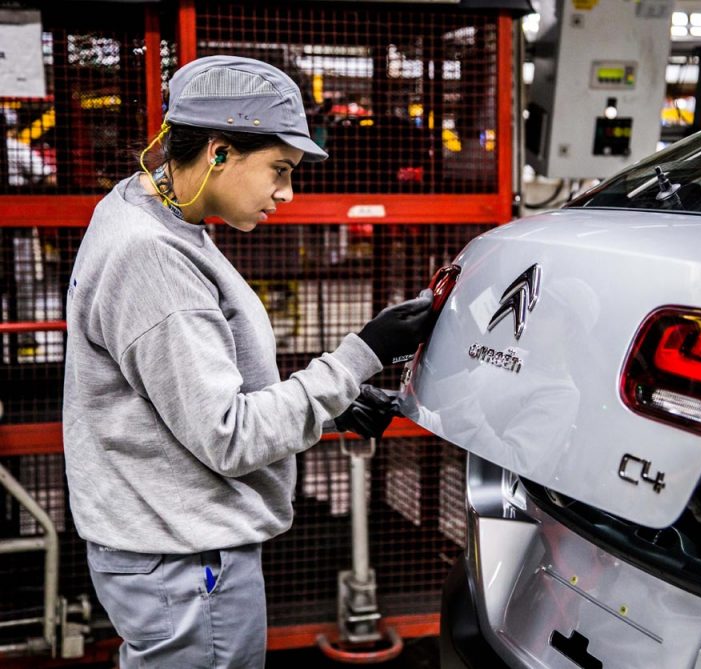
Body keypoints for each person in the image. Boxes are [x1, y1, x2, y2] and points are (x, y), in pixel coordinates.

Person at [61, 55, 427, 668]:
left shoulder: (141, 208)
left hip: (168, 546)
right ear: (220, 152)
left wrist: (330, 408)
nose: (287, 193)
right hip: (186, 562)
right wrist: (360, 357)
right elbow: (228, 436)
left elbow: (181, 398)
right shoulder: (153, 255)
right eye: (280, 170)